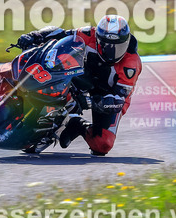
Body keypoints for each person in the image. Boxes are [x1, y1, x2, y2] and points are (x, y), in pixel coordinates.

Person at [11, 14, 141, 156]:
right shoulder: (87, 34)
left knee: (103, 144)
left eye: (118, 47)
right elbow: (60, 33)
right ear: (97, 38)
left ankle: (76, 124)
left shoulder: (131, 65)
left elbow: (119, 101)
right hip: (81, 77)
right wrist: (34, 35)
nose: (112, 52)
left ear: (127, 42)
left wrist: (93, 102)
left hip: (107, 95)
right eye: (106, 45)